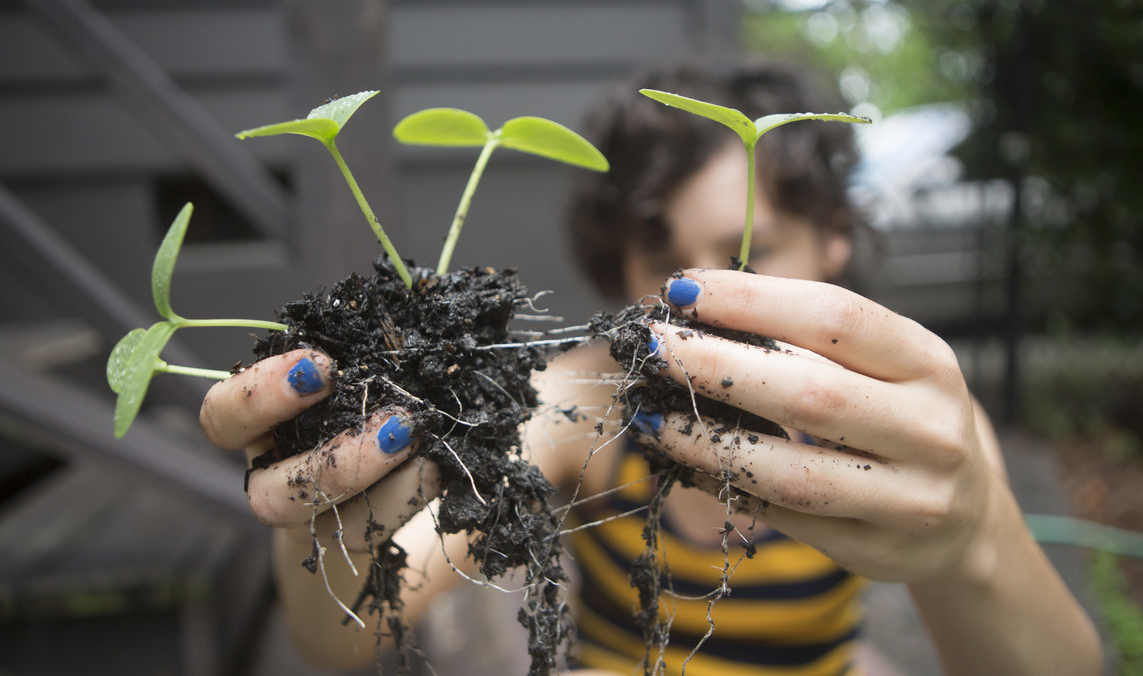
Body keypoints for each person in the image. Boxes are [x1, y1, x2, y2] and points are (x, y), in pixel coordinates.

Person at [199, 58, 1102, 675]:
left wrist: (972, 537)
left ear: (834, 241)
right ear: (625, 273)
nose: (705, 291)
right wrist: (331, 504)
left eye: (753, 247)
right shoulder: (581, 406)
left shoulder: (901, 424)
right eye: (667, 263)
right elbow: (339, 636)